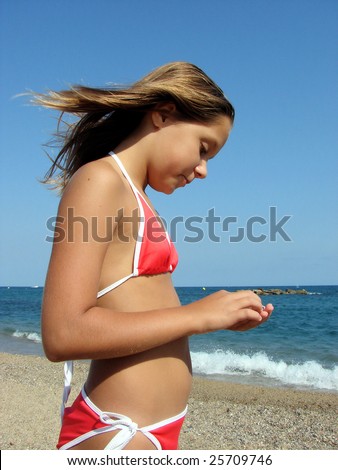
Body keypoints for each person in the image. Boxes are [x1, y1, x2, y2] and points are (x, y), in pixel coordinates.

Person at [36, 62, 273, 450]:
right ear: (163, 115)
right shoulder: (100, 180)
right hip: (119, 431)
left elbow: (136, 306)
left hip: (155, 431)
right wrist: (199, 316)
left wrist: (220, 319)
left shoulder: (135, 196)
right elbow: (62, 334)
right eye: (203, 148)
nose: (203, 170)